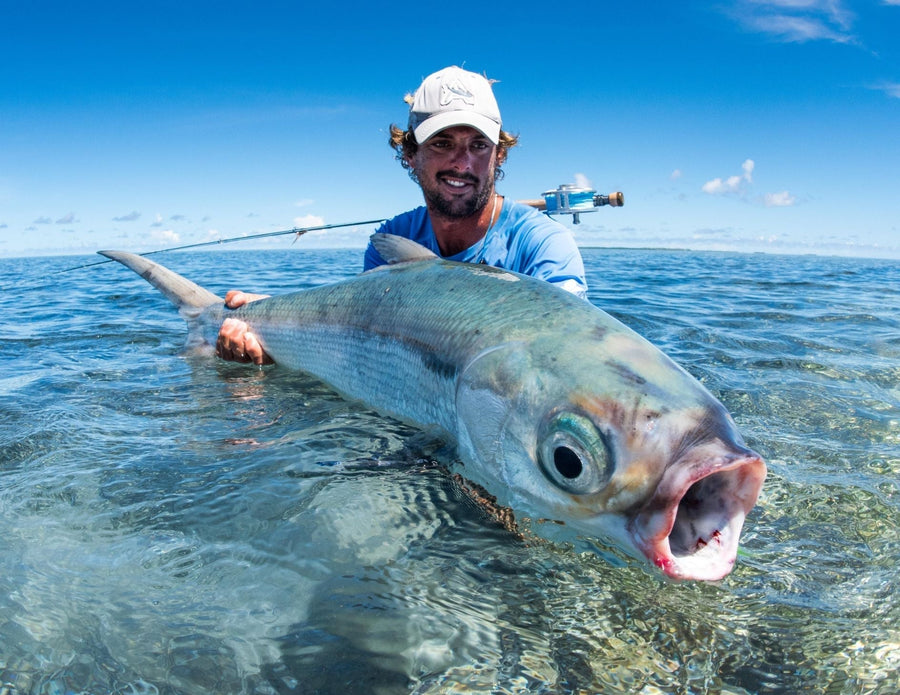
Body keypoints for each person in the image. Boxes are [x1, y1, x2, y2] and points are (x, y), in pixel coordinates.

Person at [216, 66, 587, 365]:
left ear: (499, 154)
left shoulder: (543, 245)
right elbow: (358, 338)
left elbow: (567, 356)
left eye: (478, 145)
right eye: (442, 143)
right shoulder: (394, 239)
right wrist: (267, 318)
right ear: (410, 155)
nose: (462, 163)